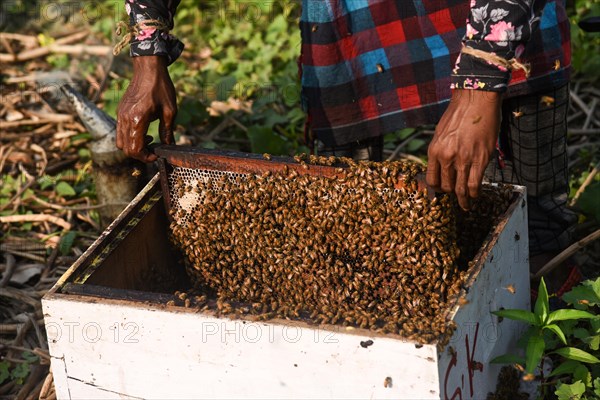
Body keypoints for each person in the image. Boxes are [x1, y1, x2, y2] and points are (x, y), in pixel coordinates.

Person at [115, 0, 578, 294]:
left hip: (500, 23)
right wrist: (148, 50)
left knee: (534, 236)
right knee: (344, 247)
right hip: (353, 23)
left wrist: (480, 82)